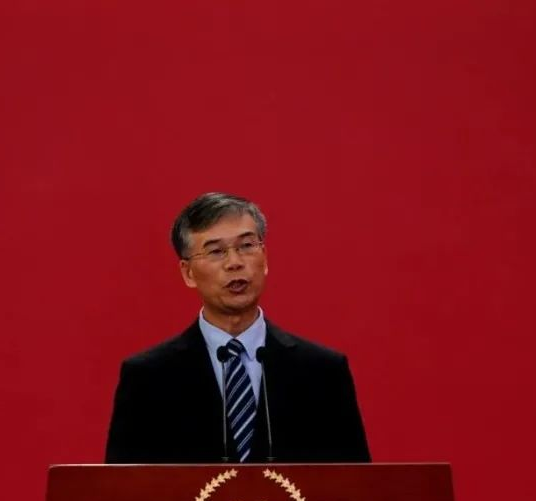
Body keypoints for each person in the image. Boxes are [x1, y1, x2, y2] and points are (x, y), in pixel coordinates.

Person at [105, 192, 370, 464]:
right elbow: (122, 487)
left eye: (246, 246)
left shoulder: (322, 372)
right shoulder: (148, 378)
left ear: (264, 257)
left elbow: (356, 484)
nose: (234, 262)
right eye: (216, 251)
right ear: (188, 272)